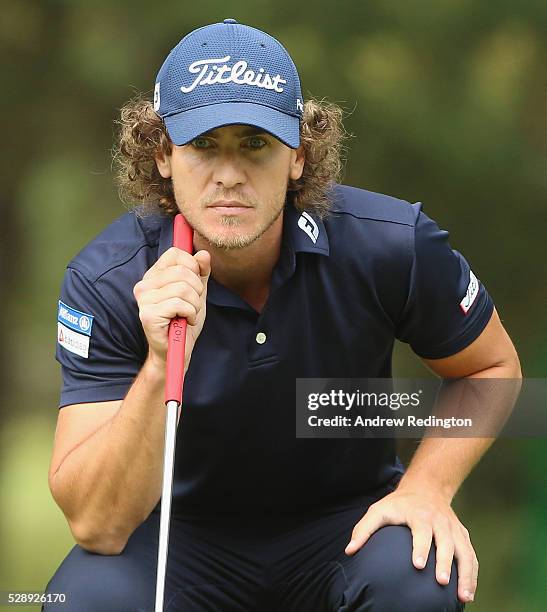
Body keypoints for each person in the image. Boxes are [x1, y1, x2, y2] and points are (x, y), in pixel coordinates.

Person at [44, 18, 521, 612]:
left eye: (255, 144)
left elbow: (490, 367)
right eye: (202, 145)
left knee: (419, 577)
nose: (229, 174)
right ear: (163, 153)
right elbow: (97, 526)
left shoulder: (390, 244)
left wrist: (427, 489)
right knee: (84, 598)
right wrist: (160, 362)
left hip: (347, 525)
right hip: (176, 535)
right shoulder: (106, 280)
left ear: (297, 156)